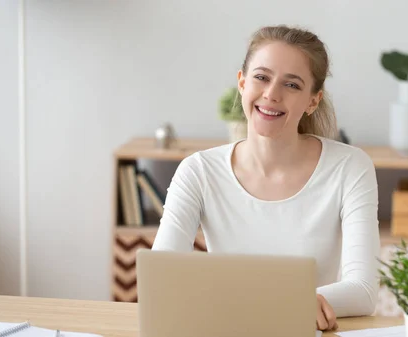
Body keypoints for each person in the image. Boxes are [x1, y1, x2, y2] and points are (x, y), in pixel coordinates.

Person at [151, 24, 381, 332]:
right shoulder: (198, 171)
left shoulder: (350, 167)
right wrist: (289, 299)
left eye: (292, 85)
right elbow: (161, 280)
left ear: (313, 101)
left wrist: (289, 302)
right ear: (242, 83)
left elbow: (364, 290)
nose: (272, 95)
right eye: (261, 77)